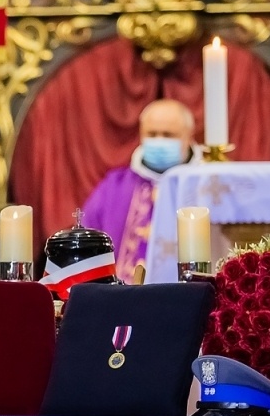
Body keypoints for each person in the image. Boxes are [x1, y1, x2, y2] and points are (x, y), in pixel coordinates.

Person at [81, 99, 196, 283]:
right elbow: (86, 245)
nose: (159, 141)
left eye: (168, 135)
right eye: (152, 134)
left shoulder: (204, 186)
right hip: (123, 301)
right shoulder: (114, 186)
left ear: (189, 136)